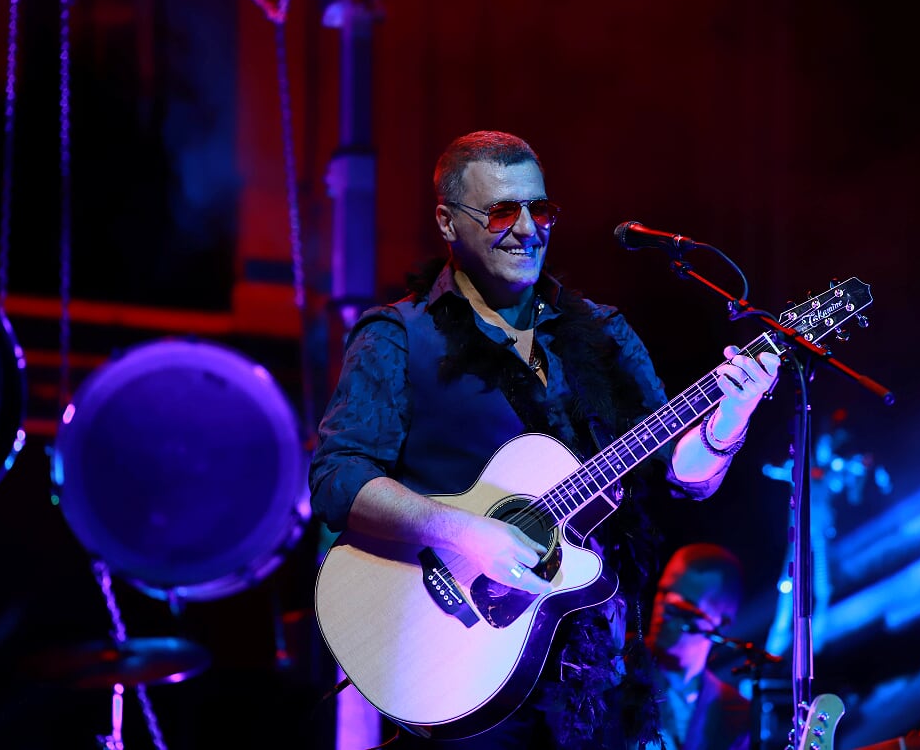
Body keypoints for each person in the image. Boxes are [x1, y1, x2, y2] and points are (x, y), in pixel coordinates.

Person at [308, 130, 781, 749]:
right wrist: (467, 534)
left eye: (542, 209)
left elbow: (683, 475)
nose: (529, 230)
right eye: (503, 212)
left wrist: (731, 419)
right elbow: (338, 478)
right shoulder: (398, 336)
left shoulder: (604, 333)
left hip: (596, 672)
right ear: (448, 222)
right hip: (461, 663)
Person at [644, 543, 753, 750]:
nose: (665, 609)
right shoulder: (612, 666)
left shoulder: (737, 716)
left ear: (722, 624)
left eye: (683, 606)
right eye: (663, 592)